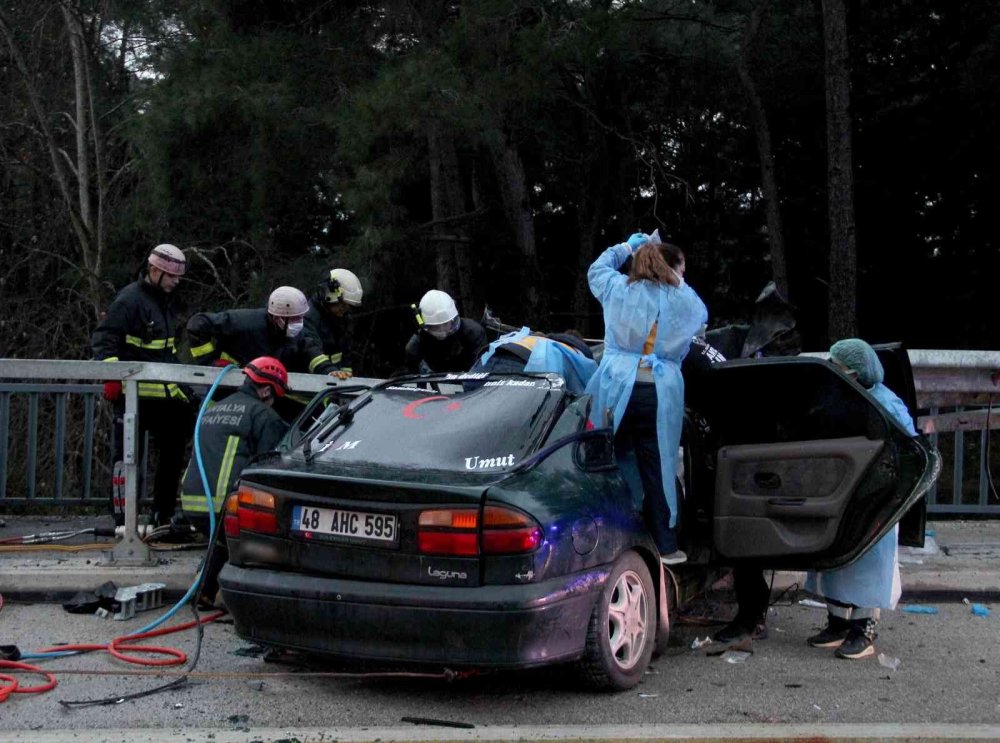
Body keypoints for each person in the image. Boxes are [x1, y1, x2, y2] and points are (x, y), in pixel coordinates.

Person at [585, 232, 708, 565]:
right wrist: (675, 281)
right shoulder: (682, 300)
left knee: (602, 462)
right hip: (658, 391)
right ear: (670, 268)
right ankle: (665, 546)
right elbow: (700, 318)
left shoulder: (617, 288)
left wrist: (625, 247)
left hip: (615, 387)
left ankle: (599, 539)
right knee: (659, 468)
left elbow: (596, 269)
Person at [803, 338, 917, 659]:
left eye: (838, 366)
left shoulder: (885, 403)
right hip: (842, 492)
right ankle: (838, 622)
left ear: (855, 371)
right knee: (835, 559)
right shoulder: (839, 397)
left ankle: (864, 627)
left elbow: (909, 448)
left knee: (869, 561)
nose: (833, 369)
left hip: (875, 496)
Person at [91, 244, 194, 527]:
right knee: (125, 460)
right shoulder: (129, 300)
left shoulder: (165, 302)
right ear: (154, 271)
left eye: (178, 277)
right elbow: (104, 340)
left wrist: (182, 387)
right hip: (132, 398)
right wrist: (113, 376)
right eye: (171, 276)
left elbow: (166, 352)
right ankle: (123, 521)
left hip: (163, 397)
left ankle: (163, 515)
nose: (176, 281)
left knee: (172, 456)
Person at [179, 356, 290, 605]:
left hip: (192, 502)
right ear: (266, 390)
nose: (274, 403)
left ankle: (203, 590)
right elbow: (266, 469)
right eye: (275, 397)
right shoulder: (263, 416)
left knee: (223, 539)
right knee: (253, 535)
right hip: (222, 504)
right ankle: (233, 599)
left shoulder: (214, 408)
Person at [186, 286, 336, 376]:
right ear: (277, 317)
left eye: (301, 317)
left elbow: (312, 353)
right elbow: (197, 324)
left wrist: (330, 371)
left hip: (258, 392)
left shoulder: (295, 335)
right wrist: (210, 362)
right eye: (294, 319)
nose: (299, 323)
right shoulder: (245, 322)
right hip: (223, 388)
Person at [470, 327, 597, 393]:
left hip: (483, 363)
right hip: (519, 366)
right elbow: (583, 396)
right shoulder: (577, 356)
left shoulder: (538, 341)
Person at [404, 289, 487, 373]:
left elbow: (481, 368)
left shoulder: (473, 332)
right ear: (426, 325)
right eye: (436, 326)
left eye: (445, 324)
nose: (442, 331)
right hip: (435, 378)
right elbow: (412, 371)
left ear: (452, 319)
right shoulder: (417, 342)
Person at [306, 268, 363, 380]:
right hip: (308, 382)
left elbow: (346, 353)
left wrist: (346, 378)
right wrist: (330, 371)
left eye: (348, 305)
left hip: (332, 381)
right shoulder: (309, 316)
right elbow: (311, 349)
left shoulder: (342, 318)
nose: (345, 309)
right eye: (342, 304)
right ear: (329, 295)